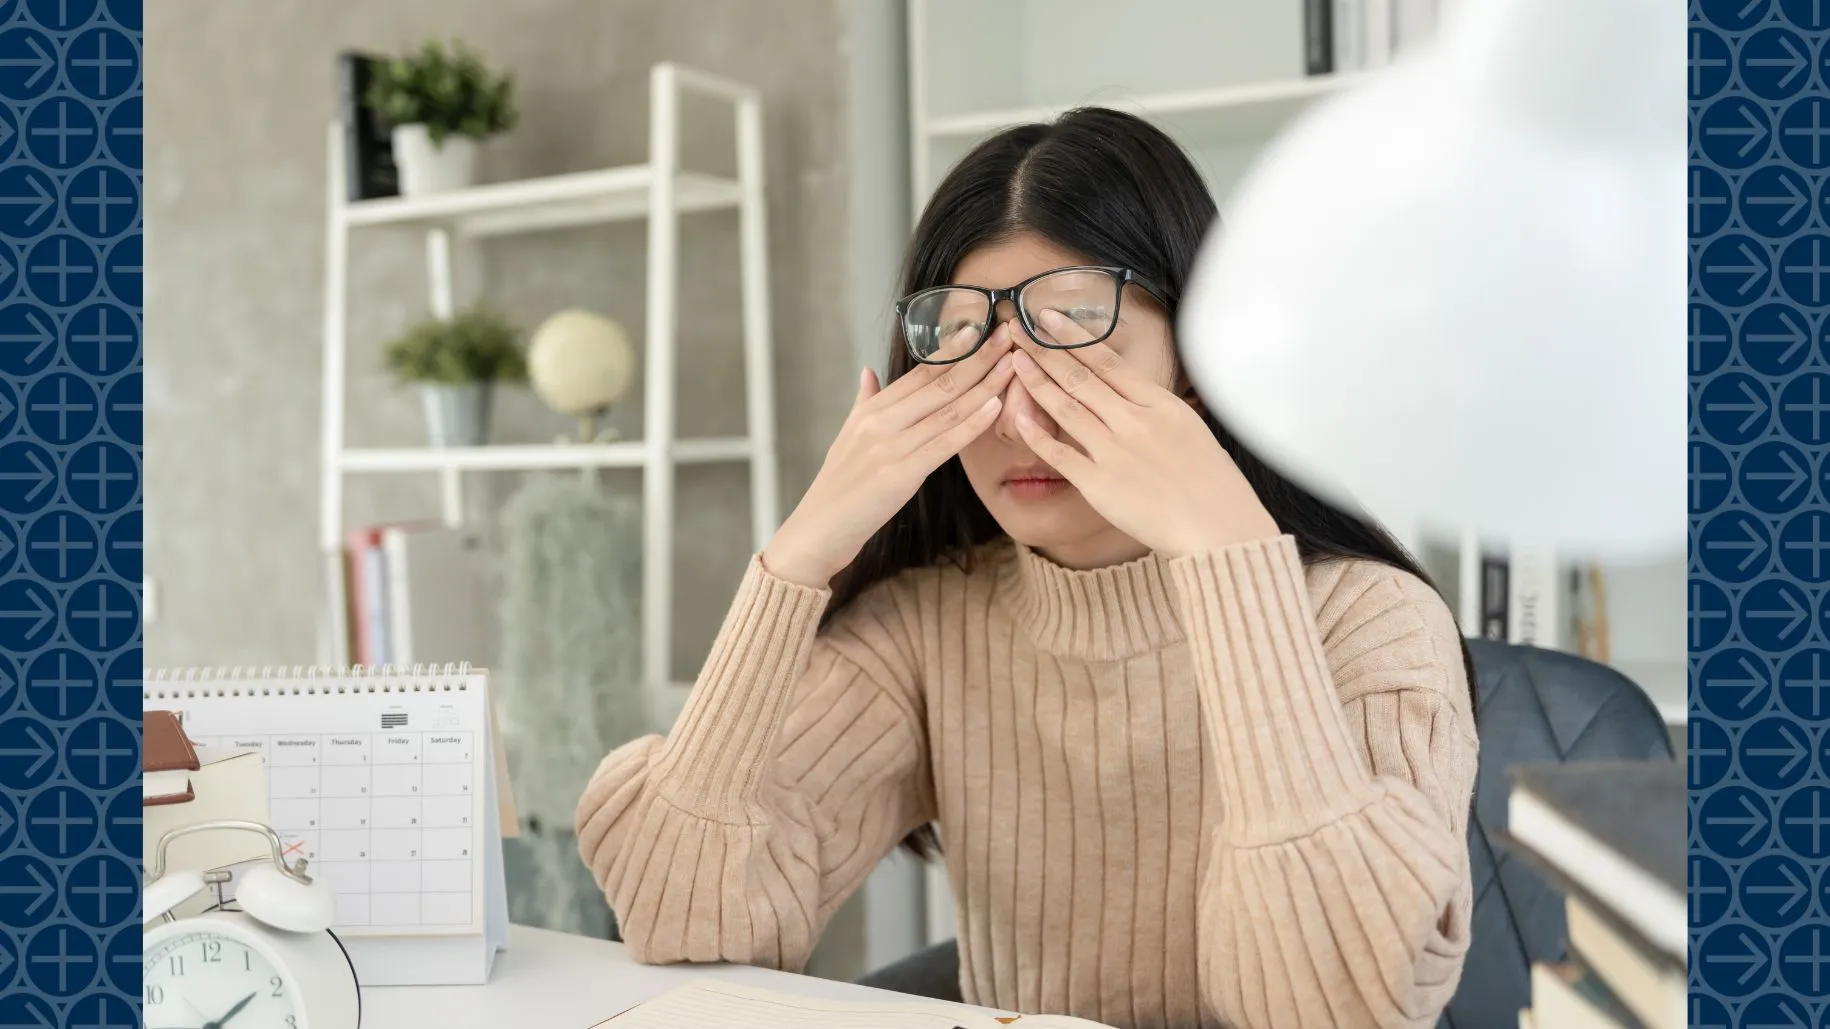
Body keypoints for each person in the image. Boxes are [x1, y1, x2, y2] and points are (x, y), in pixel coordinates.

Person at [575, 107, 1480, 1029]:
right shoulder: (932, 625)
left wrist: (1230, 562)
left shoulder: (1374, 618)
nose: (1019, 414)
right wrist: (798, 557)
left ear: (1201, 356)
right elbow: (680, 923)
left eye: (1077, 332)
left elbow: (1330, 1008)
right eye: (969, 347)